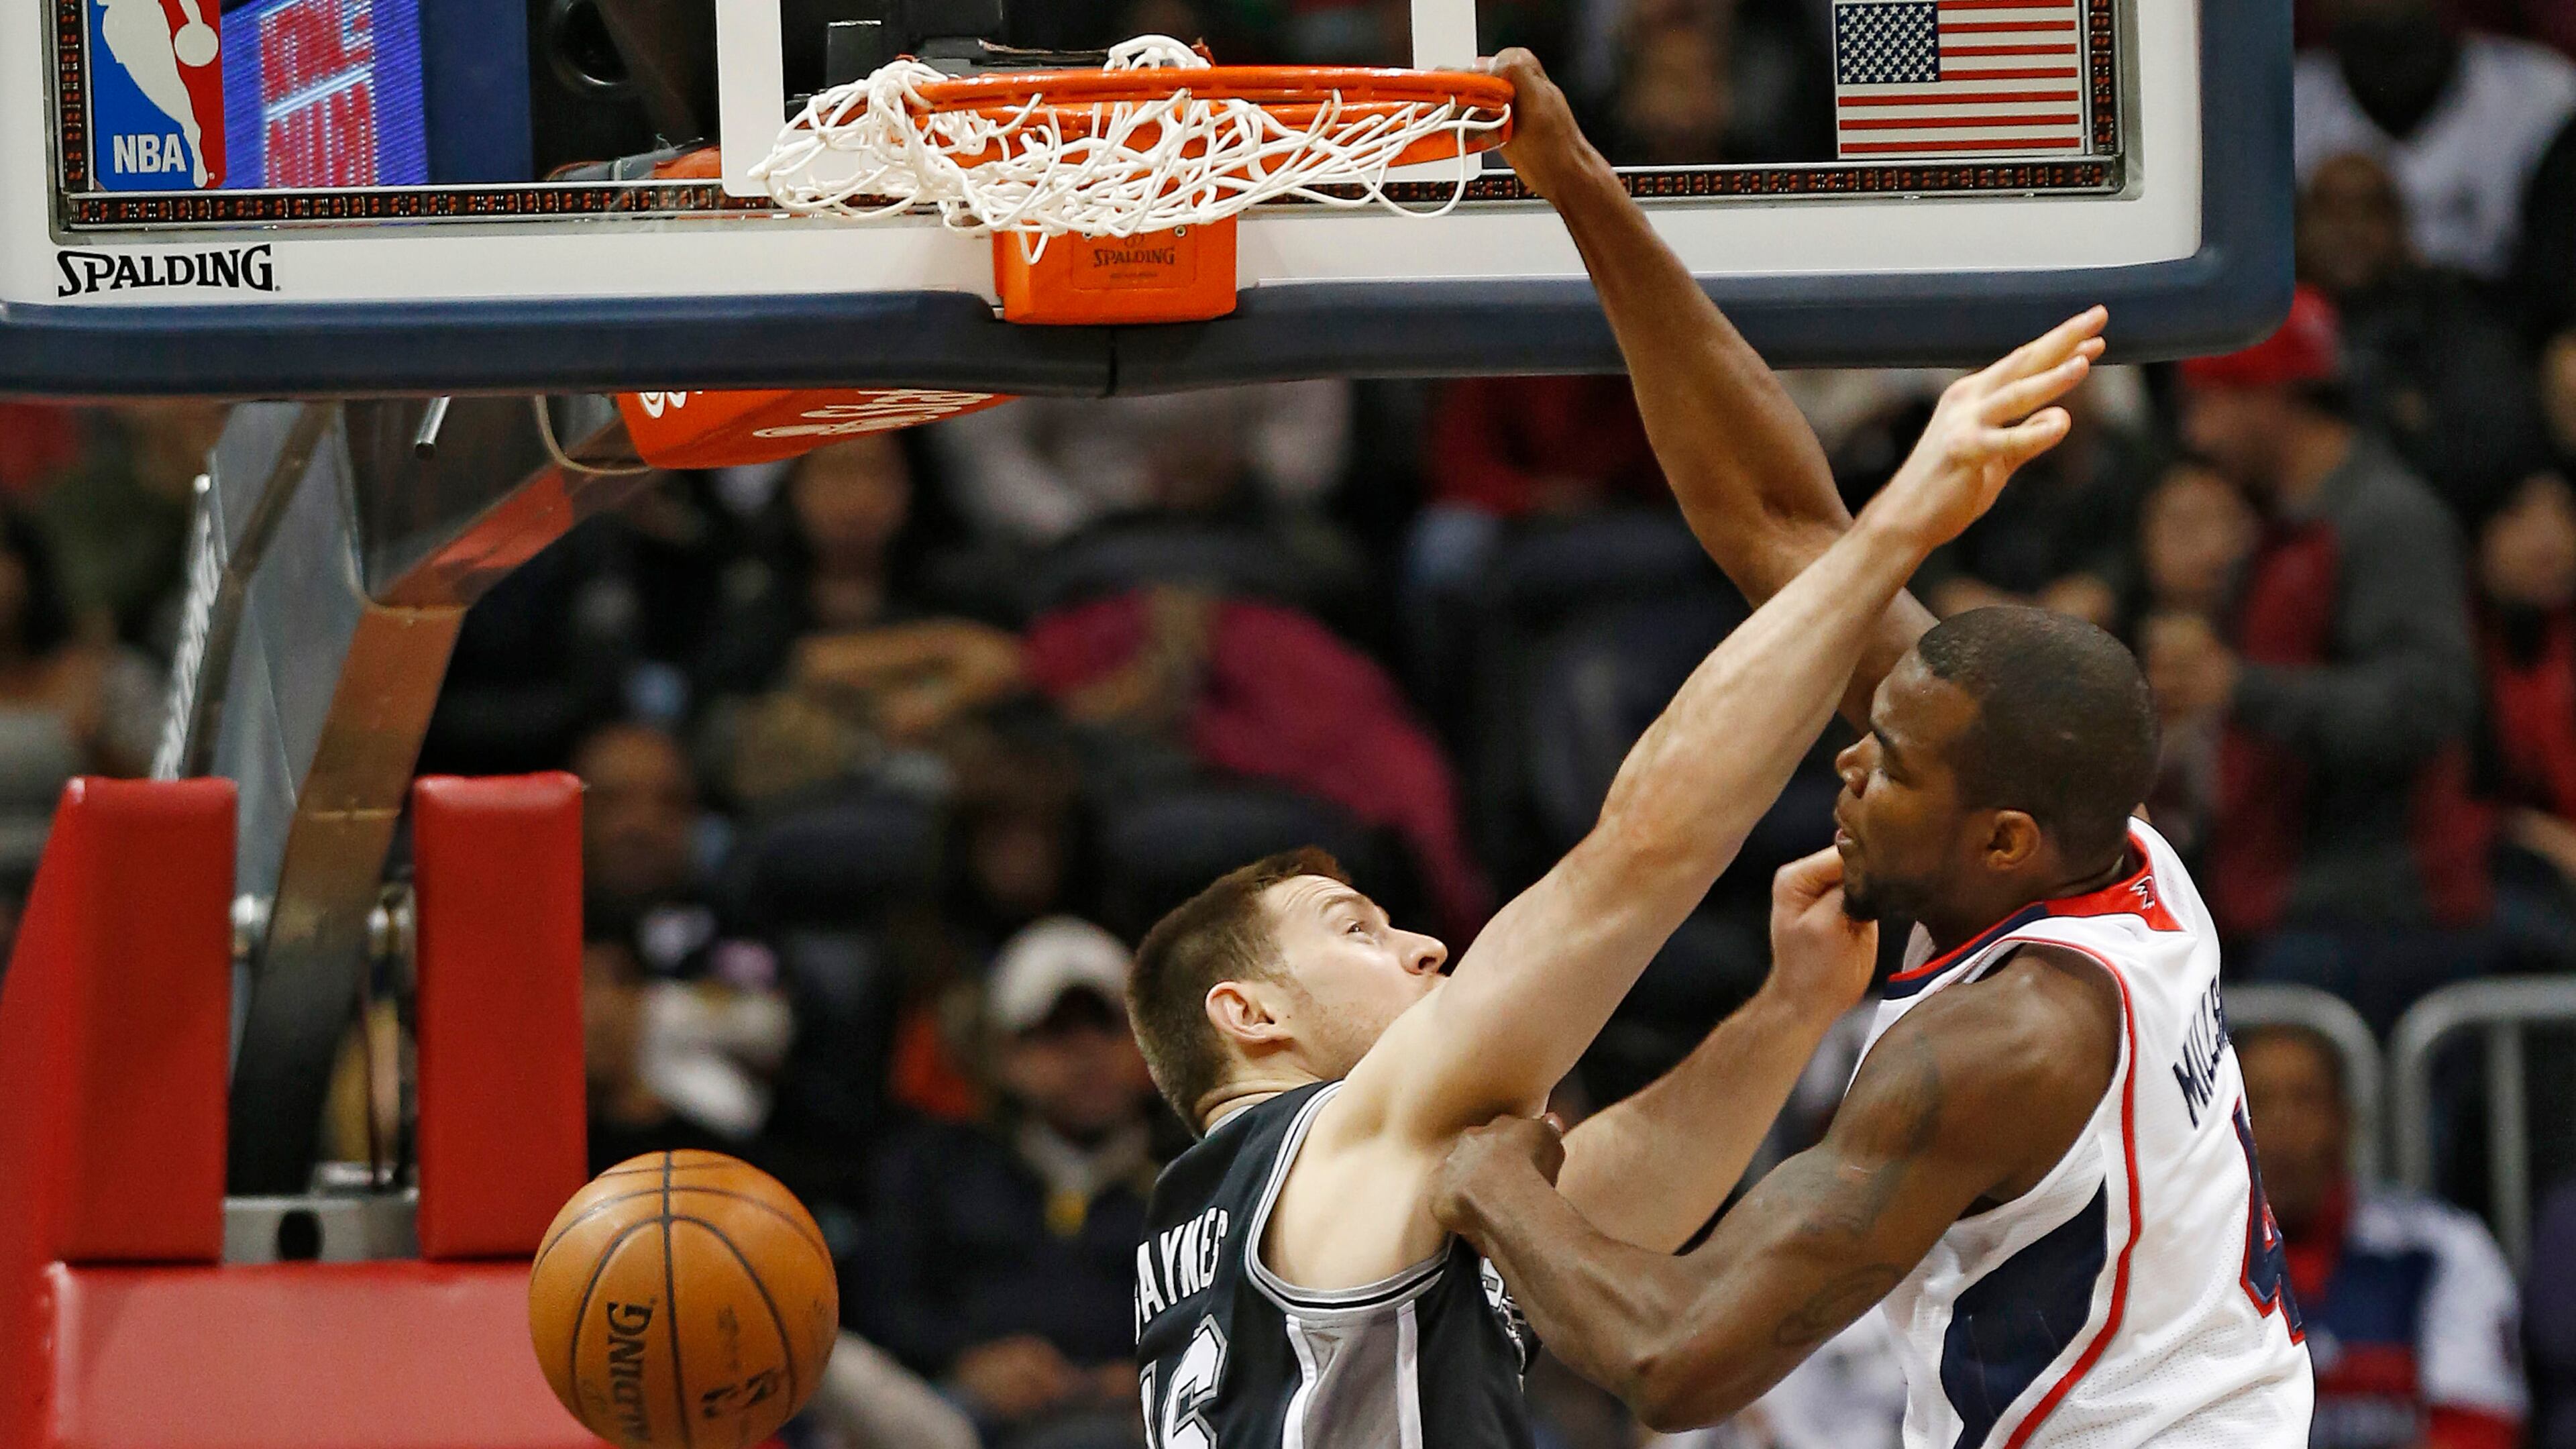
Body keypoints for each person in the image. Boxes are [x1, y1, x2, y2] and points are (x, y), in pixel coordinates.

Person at [1417, 49, 2312, 1446]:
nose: (1842, 765)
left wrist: (1480, 1173)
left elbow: (1675, 1358)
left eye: (1888, 767)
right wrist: (1577, 184)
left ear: (2003, 840)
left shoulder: (2007, 1040)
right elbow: (1785, 530)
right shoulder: (2108, 843)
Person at [1124, 203, 2100, 1448]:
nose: (1425, 948)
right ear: (1248, 1015)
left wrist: (1785, 1011)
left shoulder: (1214, 1221)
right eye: (1356, 931)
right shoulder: (1336, 1136)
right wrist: (1895, 528)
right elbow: (1642, 852)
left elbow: (1595, 1208)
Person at [2149, 286, 2495, 1030]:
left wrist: (2238, 687)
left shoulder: (2385, 520)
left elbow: (2430, 701)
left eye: (2207, 405)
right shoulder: (2276, 532)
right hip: (2281, 904)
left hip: (2376, 919)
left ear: (2271, 398)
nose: (2197, 436)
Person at [857, 918, 1159, 1449]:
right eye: (1055, 1031)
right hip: (956, 1419)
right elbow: (881, 1305)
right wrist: (966, 1358)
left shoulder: (1200, 1171)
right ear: (1004, 1055)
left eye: (1107, 1025)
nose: (1086, 1053)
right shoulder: (934, 1168)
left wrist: (1160, 1369)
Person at [2236, 1026, 2525, 1449]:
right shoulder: (2183, 1261)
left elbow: (2478, 1428)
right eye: (2259, 1101)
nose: (2283, 1126)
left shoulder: (2441, 1250)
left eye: (2305, 1100)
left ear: (2346, 1122)